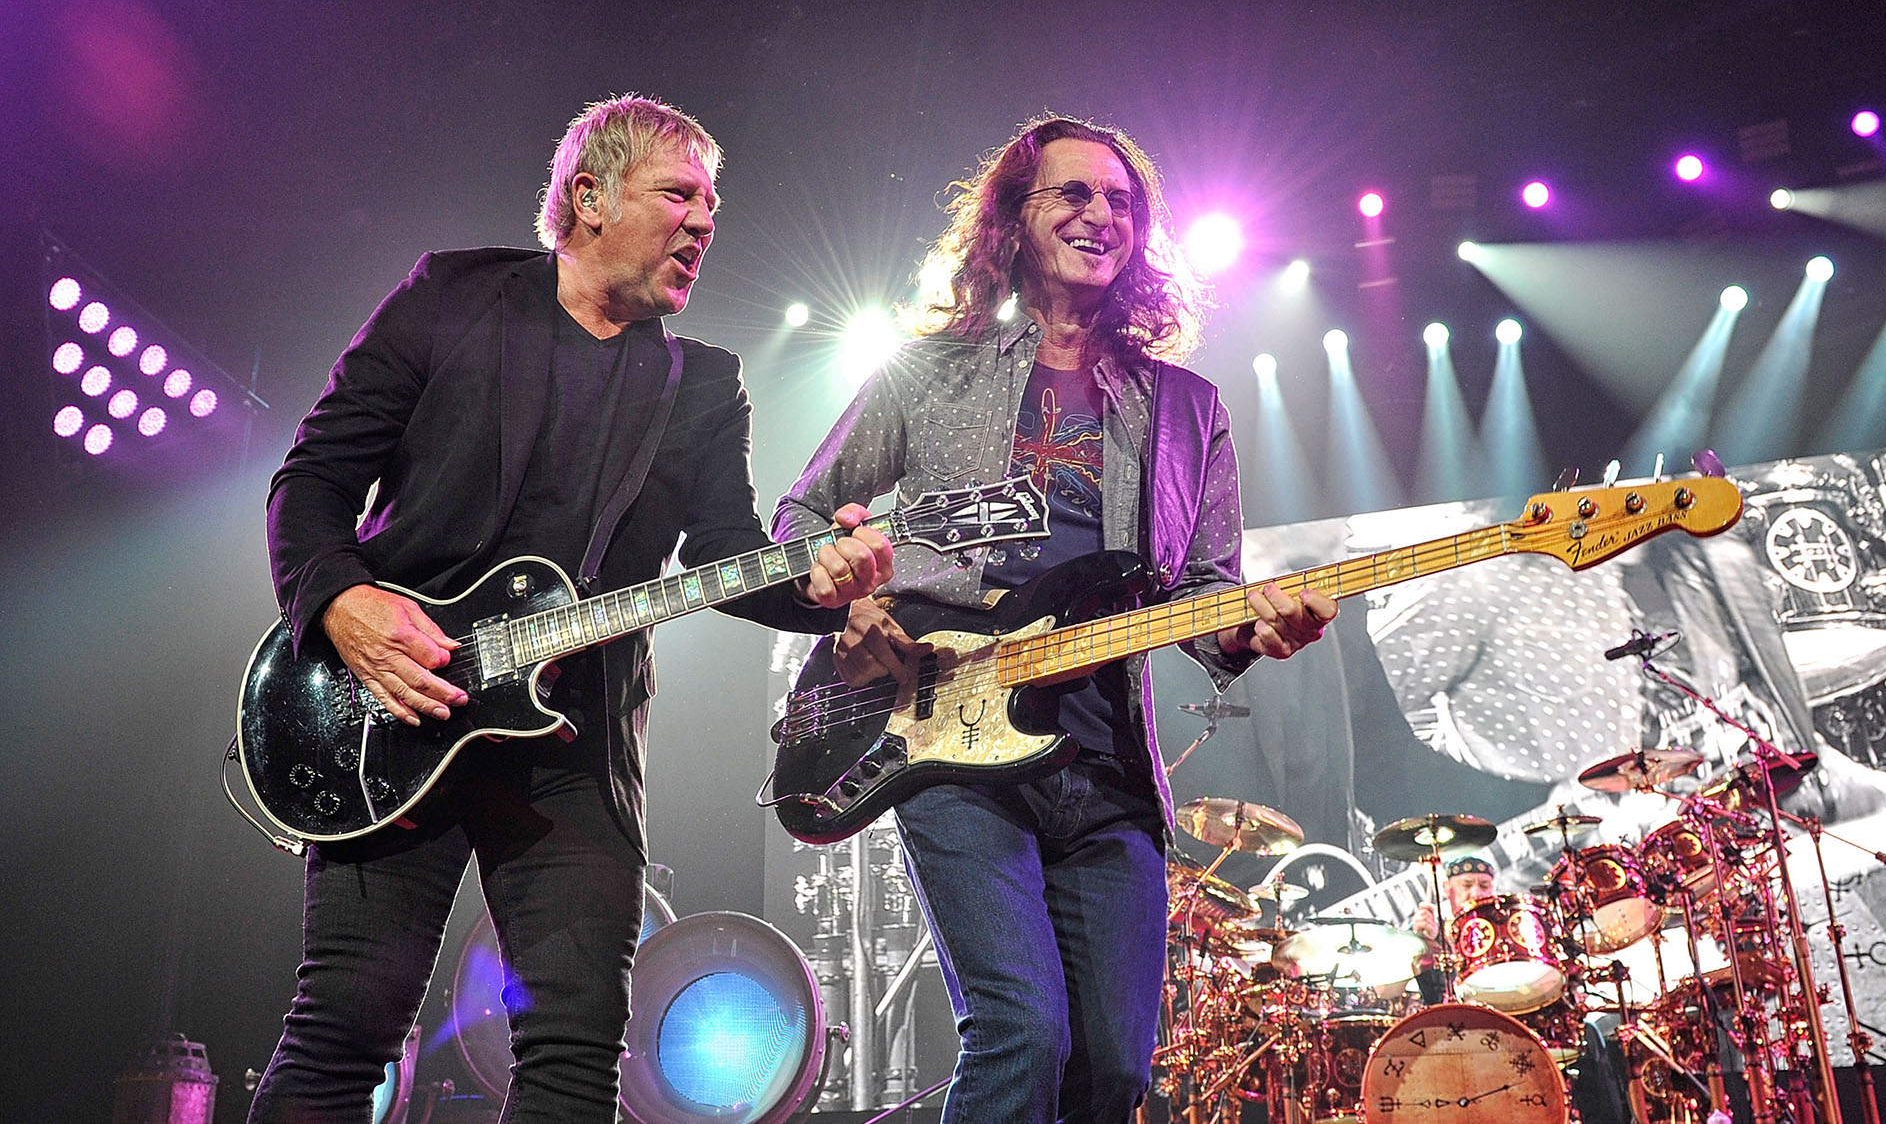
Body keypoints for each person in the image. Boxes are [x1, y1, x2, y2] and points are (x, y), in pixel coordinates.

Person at [247, 96, 892, 1123]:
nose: (704, 222)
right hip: (389, 708)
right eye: (679, 193)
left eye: (714, 207)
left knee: (576, 1053)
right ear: (587, 197)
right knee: (345, 1029)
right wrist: (343, 602)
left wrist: (820, 583)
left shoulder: (703, 384)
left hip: (569, 746)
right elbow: (313, 480)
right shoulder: (449, 298)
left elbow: (726, 554)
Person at [774, 115, 1335, 1122]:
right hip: (949, 739)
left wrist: (1254, 629)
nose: (1100, 215)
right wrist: (852, 597)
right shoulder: (928, 373)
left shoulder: (1186, 408)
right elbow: (805, 515)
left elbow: (1205, 592)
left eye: (1122, 202)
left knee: (1115, 1073)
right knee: (1023, 1032)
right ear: (1013, 220)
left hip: (1106, 764)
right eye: (1074, 194)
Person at [1407, 854, 1500, 1003]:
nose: (1476, 893)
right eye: (1466, 885)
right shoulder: (1432, 928)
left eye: (1484, 886)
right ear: (1446, 888)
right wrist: (1421, 942)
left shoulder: (1503, 931)